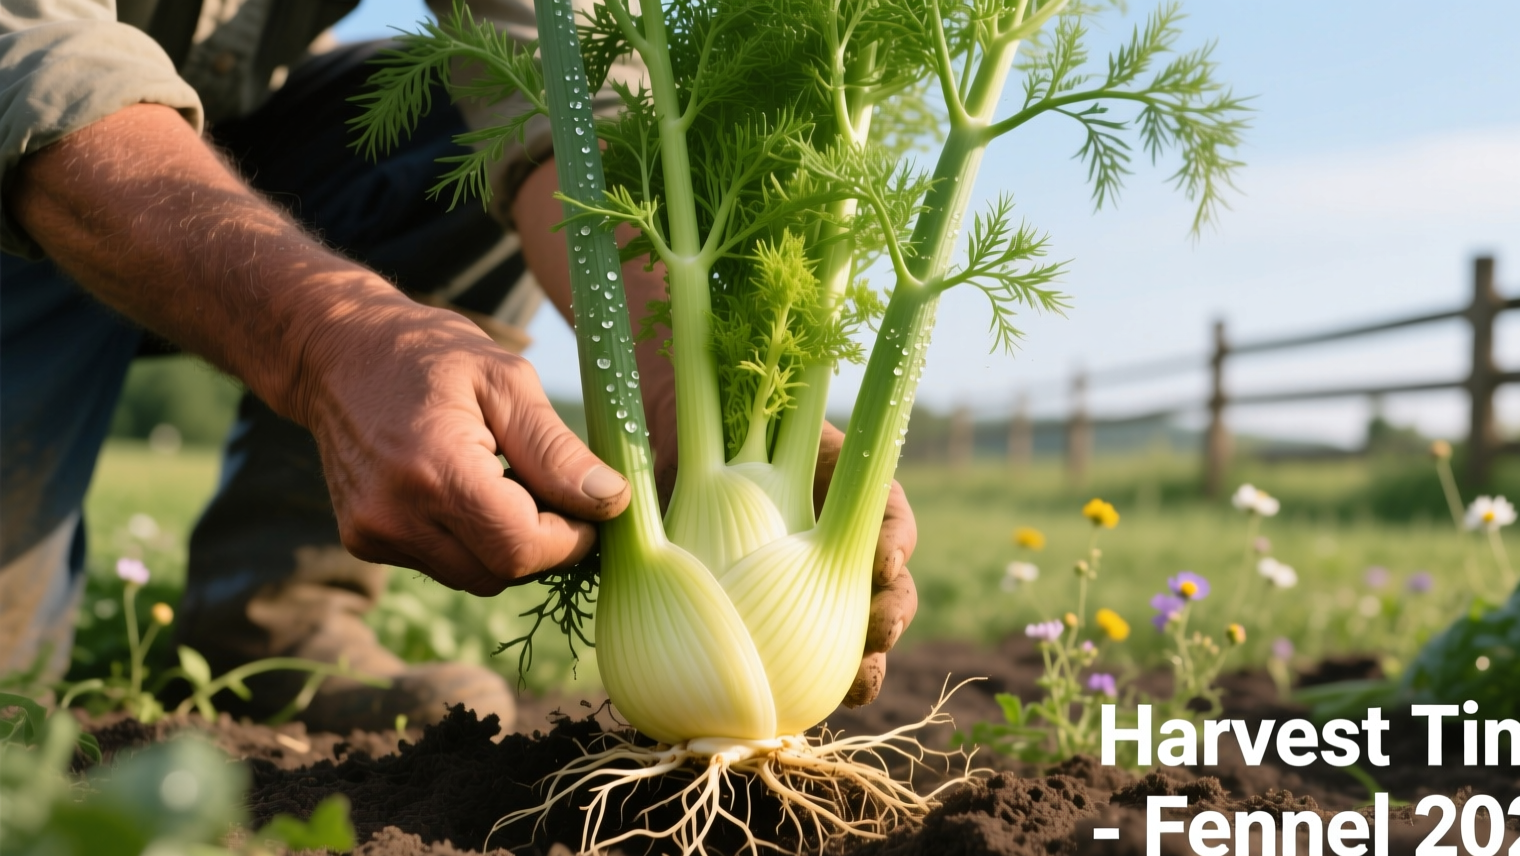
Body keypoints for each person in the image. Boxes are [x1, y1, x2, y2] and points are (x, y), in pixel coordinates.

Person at [0, 0, 918, 731]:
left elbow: (571, 101)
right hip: (29, 189)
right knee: (11, 711)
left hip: (211, 150)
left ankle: (274, 618)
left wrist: (680, 391)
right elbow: (33, 71)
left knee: (491, 116)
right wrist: (331, 335)